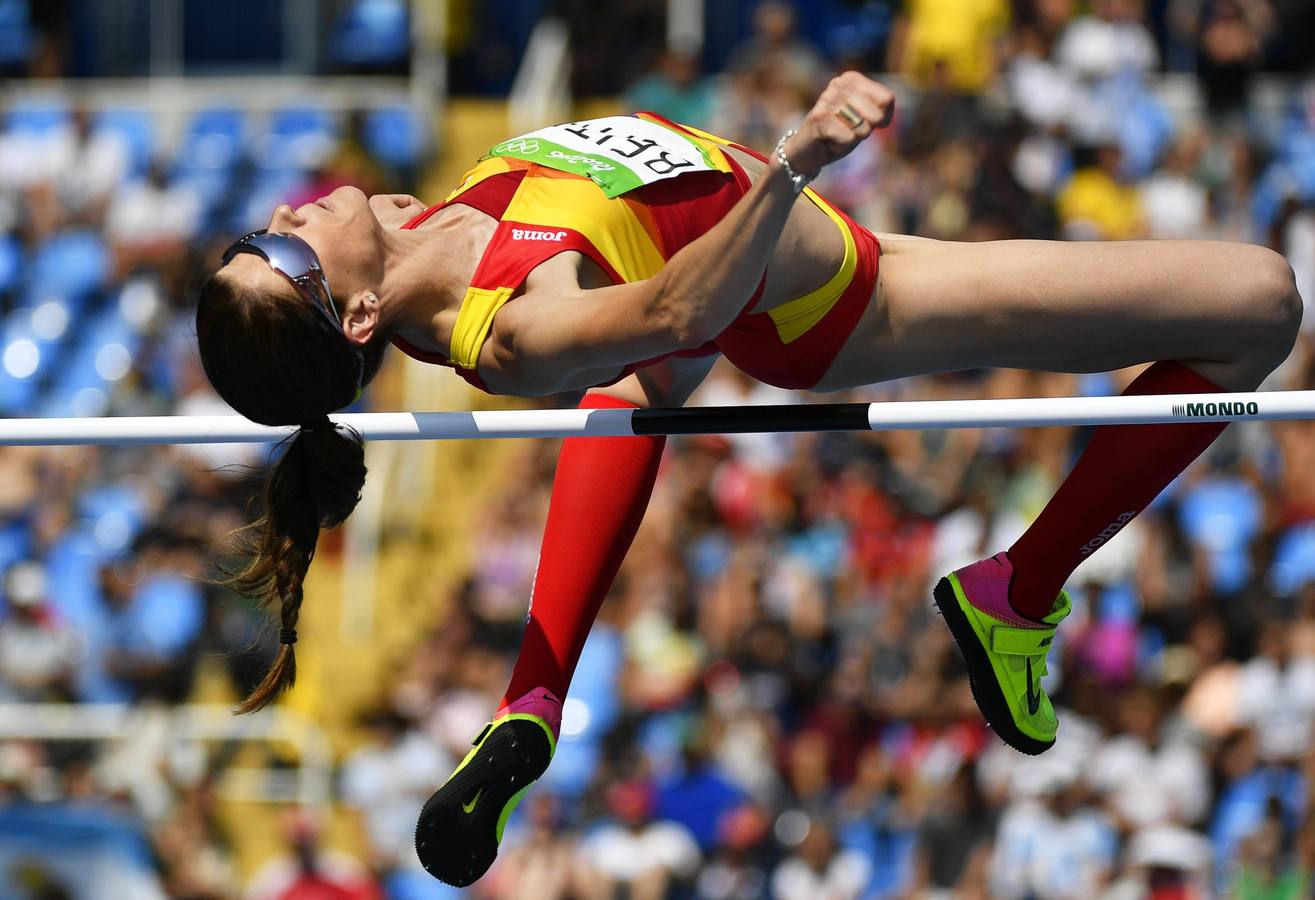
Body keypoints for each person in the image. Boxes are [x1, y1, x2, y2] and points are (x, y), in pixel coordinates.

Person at [193, 71, 1302, 888]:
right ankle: (1015, 594)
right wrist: (795, 161)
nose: (287, 216)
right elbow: (682, 313)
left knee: (630, 391)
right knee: (1255, 305)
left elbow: (642, 350)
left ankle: (531, 700)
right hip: (853, 298)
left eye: (261, 230)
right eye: (284, 254)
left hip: (823, 243)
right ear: (355, 316)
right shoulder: (509, 324)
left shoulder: (410, 224)